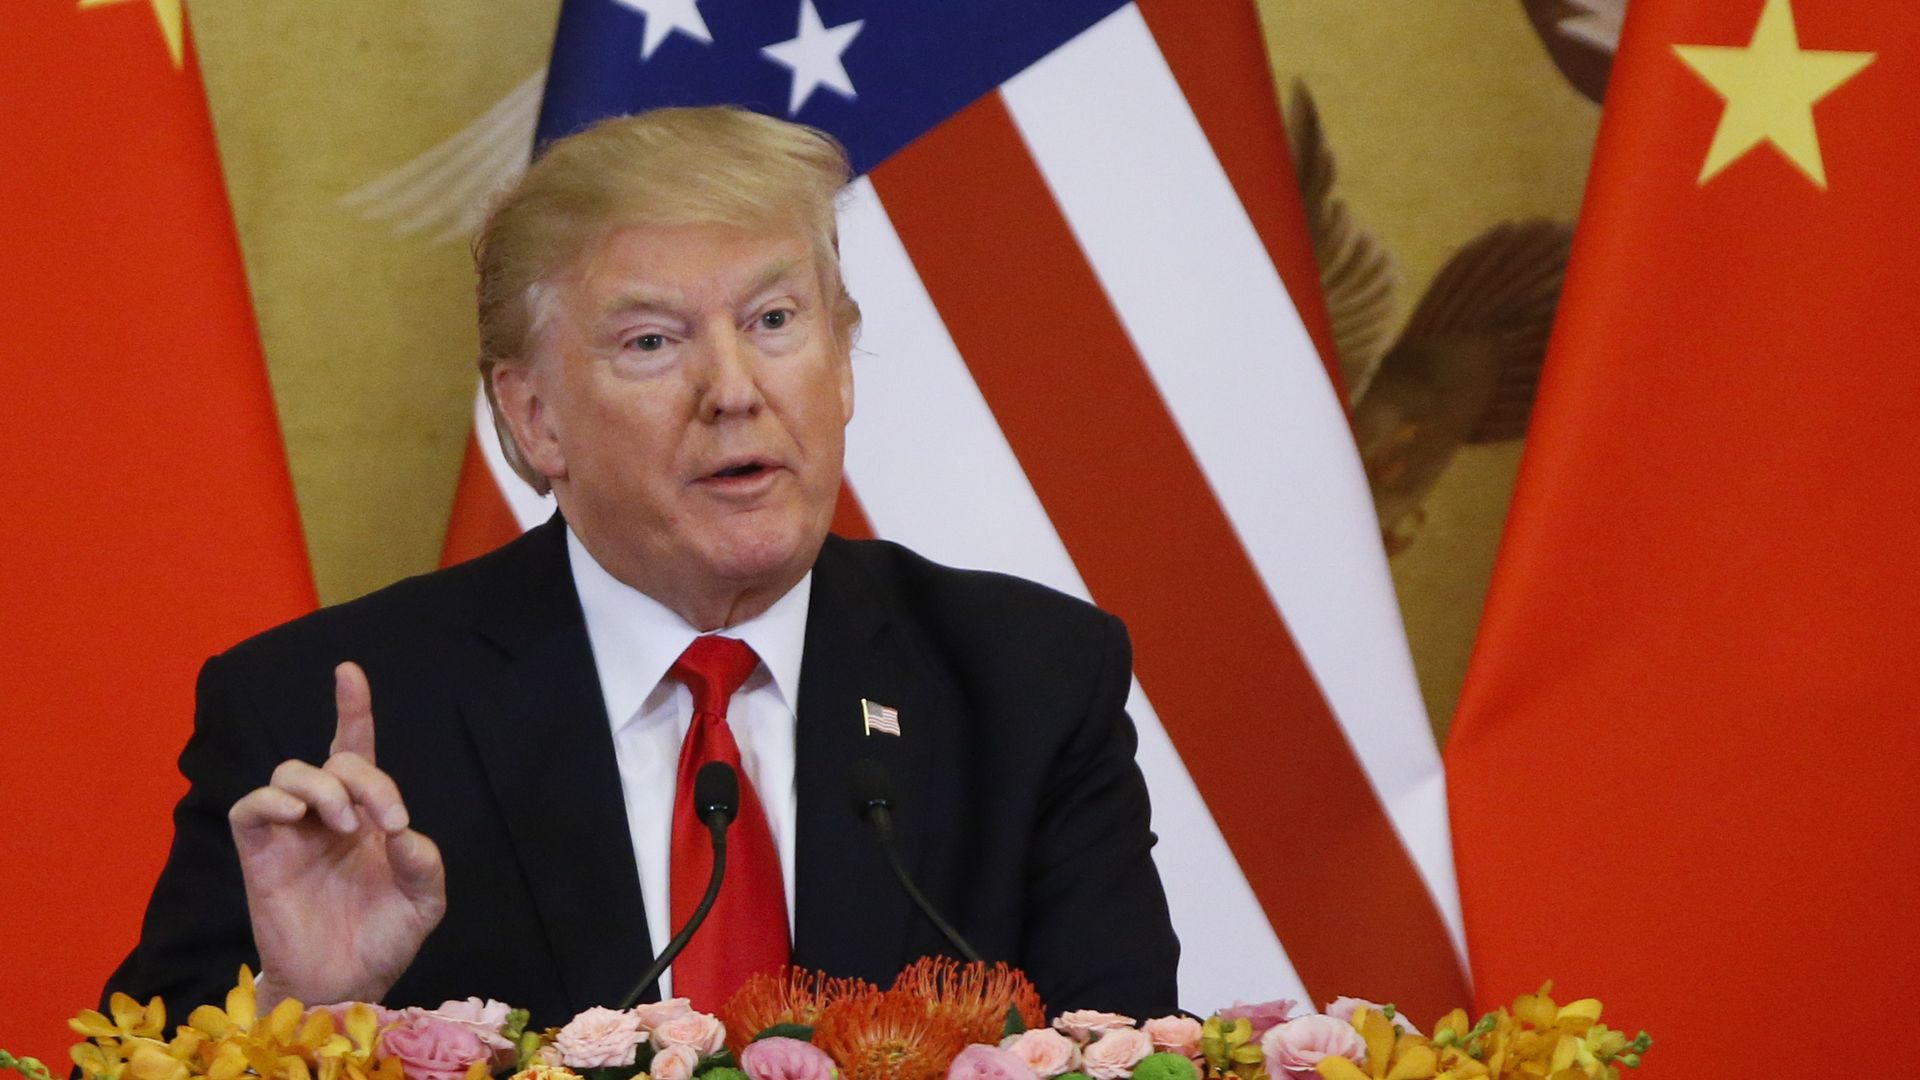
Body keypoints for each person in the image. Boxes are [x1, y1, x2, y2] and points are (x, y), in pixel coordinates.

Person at [104, 106, 1179, 1027]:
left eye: (773, 320)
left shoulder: (1028, 682)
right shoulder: (328, 719)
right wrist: (308, 1016)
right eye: (653, 342)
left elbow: (1129, 1043)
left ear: (842, 363)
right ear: (534, 419)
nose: (733, 388)